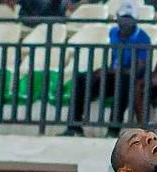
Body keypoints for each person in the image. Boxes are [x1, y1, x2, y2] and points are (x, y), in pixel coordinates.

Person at [61, 1, 151, 138]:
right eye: (123, 19)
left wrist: (111, 71)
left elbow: (138, 70)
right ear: (118, 18)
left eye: (129, 19)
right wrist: (103, 71)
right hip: (113, 75)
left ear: (135, 21)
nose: (125, 23)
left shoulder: (143, 38)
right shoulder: (113, 33)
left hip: (130, 78)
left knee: (124, 82)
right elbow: (111, 60)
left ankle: (113, 129)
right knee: (81, 79)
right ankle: (74, 127)